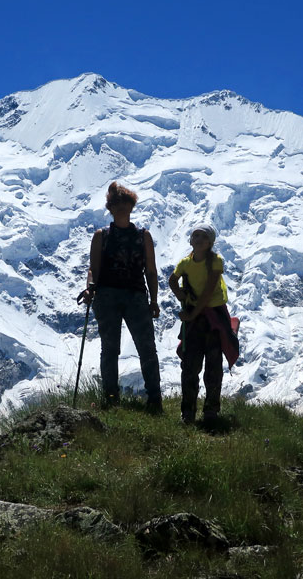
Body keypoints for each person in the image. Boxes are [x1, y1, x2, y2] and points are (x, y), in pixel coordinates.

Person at [80, 182, 162, 412]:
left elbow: (151, 271)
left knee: (139, 347)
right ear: (111, 208)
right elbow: (92, 270)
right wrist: (90, 289)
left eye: (124, 203)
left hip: (127, 295)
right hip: (115, 295)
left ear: (130, 206)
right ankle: (126, 398)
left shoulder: (127, 236)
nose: (121, 208)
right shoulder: (127, 236)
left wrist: (154, 301)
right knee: (118, 347)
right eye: (117, 204)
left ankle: (142, 398)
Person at [169, 224, 238, 424]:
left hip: (210, 315)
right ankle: (190, 412)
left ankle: (209, 412)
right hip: (202, 317)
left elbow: (208, 292)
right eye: (195, 236)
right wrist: (179, 294)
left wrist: (191, 315)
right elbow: (172, 280)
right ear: (191, 241)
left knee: (213, 366)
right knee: (191, 365)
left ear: (210, 243)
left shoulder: (215, 261)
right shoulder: (185, 263)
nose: (198, 239)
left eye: (203, 236)